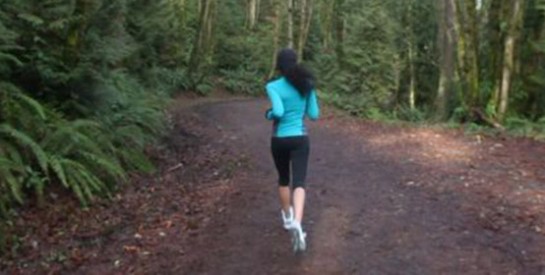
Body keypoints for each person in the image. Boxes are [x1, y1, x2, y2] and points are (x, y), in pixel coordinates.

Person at [265, 48, 320, 252]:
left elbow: (278, 111)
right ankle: (298, 221)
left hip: (279, 139)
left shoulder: (273, 86)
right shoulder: (307, 85)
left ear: (279, 66)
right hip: (299, 138)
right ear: (296, 63)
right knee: (299, 182)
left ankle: (287, 217)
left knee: (283, 179)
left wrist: (270, 114)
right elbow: (314, 114)